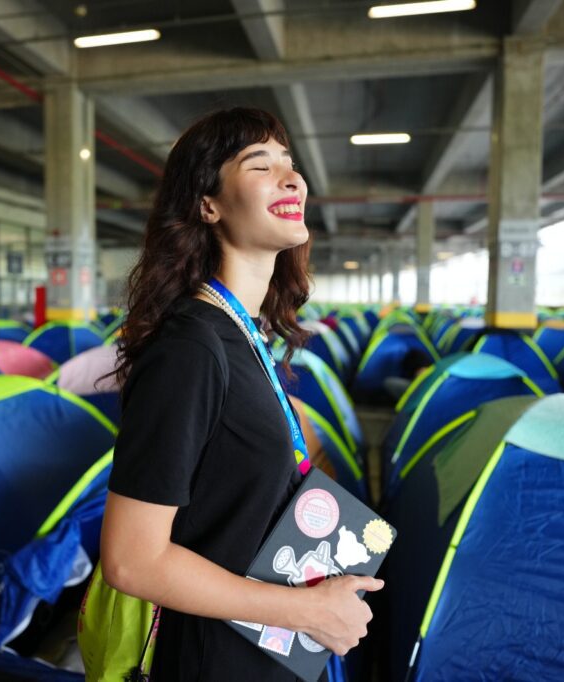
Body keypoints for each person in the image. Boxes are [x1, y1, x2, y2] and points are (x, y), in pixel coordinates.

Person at [100, 108, 382, 681]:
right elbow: (131, 561)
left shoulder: (243, 335)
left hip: (265, 652)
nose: (292, 179)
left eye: (290, 165)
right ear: (209, 204)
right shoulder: (191, 347)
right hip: (213, 661)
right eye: (261, 165)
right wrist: (307, 611)